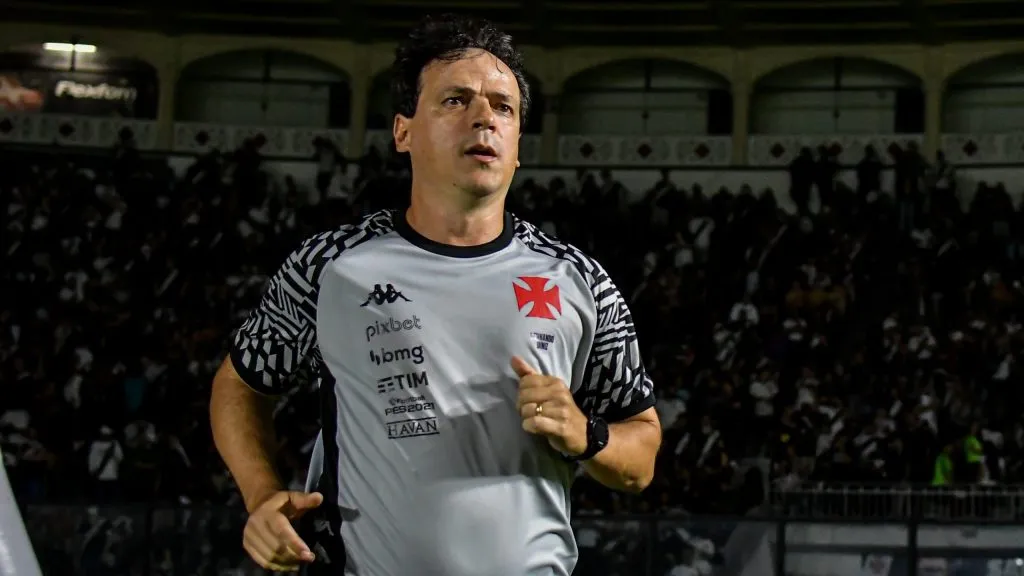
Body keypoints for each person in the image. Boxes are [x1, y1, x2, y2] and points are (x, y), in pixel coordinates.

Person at [210, 13, 661, 576]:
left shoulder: (579, 281)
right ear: (403, 131)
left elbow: (642, 452)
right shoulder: (331, 266)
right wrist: (260, 495)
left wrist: (586, 434)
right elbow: (241, 382)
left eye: (503, 107)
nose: (484, 119)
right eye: (456, 101)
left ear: (518, 144)